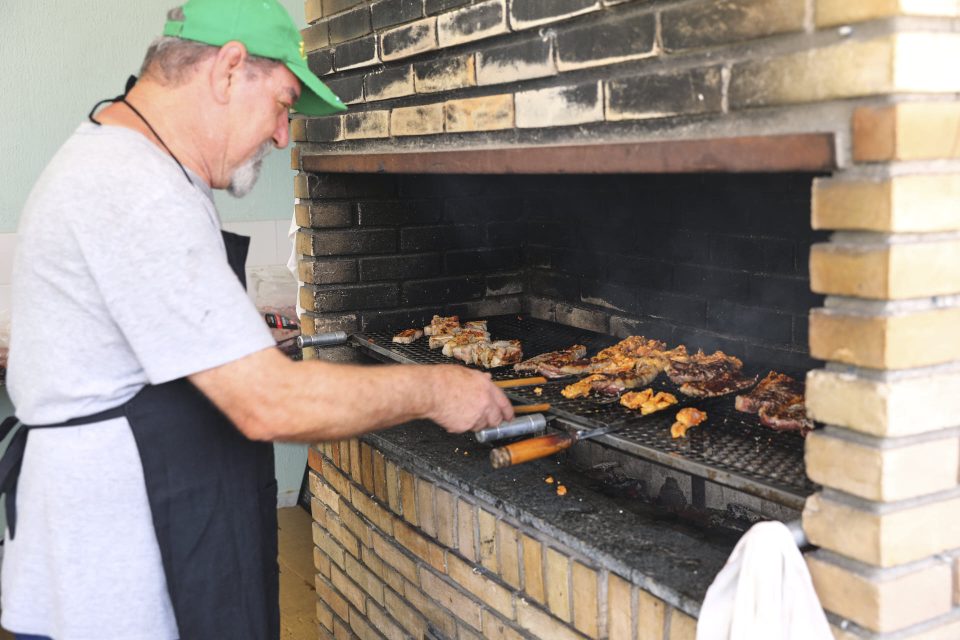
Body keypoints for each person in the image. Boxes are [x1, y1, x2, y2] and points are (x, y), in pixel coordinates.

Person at [0, 1, 514, 639]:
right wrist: (438, 388)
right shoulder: (133, 186)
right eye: (282, 104)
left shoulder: (131, 162)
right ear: (229, 69)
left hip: (130, 539)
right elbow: (268, 403)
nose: (281, 136)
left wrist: (240, 340)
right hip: (115, 580)